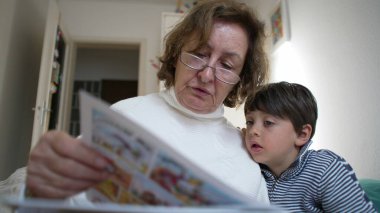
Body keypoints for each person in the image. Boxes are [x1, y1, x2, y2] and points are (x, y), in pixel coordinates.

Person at [3, 0, 270, 204]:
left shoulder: (245, 152)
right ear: (177, 54)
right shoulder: (126, 114)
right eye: (199, 54)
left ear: (240, 77)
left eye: (226, 65)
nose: (207, 74)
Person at [243, 81, 377, 212]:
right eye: (250, 122)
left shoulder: (325, 168)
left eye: (268, 122)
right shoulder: (251, 169)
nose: (253, 130)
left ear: (302, 134)